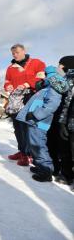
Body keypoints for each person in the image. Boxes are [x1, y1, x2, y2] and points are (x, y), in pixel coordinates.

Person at [17, 66, 68, 182]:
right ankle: (40, 166)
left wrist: (35, 114)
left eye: (45, 75)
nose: (43, 77)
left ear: (49, 75)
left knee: (38, 145)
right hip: (35, 121)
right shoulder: (49, 86)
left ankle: (46, 171)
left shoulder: (54, 87)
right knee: (34, 144)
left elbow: (51, 104)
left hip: (39, 122)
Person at [5, 44, 46, 166]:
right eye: (13, 53)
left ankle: (29, 154)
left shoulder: (37, 62)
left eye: (17, 52)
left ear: (24, 51)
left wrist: (28, 84)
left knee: (27, 125)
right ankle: (22, 151)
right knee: (17, 126)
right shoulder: (10, 67)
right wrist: (8, 86)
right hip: (16, 99)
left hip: (31, 97)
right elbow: (7, 81)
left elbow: (41, 78)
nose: (15, 55)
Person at [55, 56, 74, 186]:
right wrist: (62, 122)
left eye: (61, 65)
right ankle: (66, 175)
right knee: (66, 149)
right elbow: (67, 102)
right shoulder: (68, 78)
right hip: (69, 120)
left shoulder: (68, 79)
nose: (59, 67)